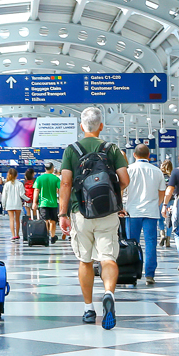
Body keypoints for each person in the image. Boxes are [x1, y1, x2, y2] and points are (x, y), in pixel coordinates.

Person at [60, 107, 130, 329]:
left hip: (80, 211)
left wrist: (63, 213)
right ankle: (108, 292)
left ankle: (88, 308)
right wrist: (112, 196)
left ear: (82, 126)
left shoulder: (72, 150)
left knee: (85, 260)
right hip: (108, 212)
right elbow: (125, 179)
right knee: (108, 257)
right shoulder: (111, 148)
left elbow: (66, 183)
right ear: (101, 126)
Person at [125, 144, 164, 285]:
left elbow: (122, 189)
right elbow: (162, 192)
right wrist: (156, 204)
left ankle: (133, 272)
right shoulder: (157, 171)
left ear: (134, 155)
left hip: (132, 211)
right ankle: (149, 274)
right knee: (151, 242)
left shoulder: (128, 170)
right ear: (149, 155)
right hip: (151, 212)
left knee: (132, 243)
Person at [32, 162, 62, 240]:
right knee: (53, 221)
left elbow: (36, 190)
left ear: (45, 169)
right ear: (52, 168)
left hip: (43, 203)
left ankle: (45, 235)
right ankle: (52, 236)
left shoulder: (39, 178)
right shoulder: (56, 178)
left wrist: (34, 202)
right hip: (53, 203)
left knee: (44, 220)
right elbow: (60, 190)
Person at [1, 167, 26, 240]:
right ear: (16, 175)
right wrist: (28, 199)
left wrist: (3, 205)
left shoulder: (6, 184)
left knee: (11, 220)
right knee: (17, 220)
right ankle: (18, 234)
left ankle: (13, 235)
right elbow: (22, 195)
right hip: (18, 204)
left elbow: (4, 196)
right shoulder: (20, 184)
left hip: (9, 204)